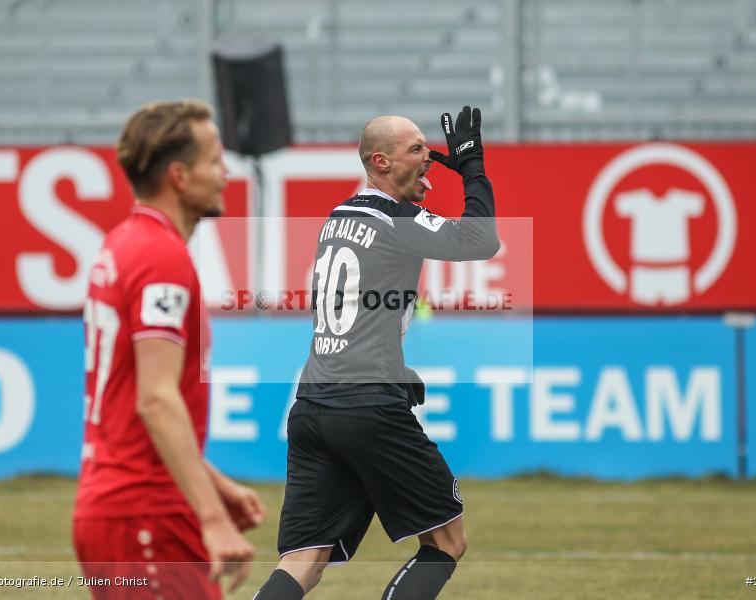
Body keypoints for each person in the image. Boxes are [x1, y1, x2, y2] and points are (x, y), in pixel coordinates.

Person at [253, 106, 498, 599]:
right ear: (380, 162)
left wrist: (395, 366)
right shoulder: (395, 219)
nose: (429, 157)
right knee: (447, 541)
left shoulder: (338, 218)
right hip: (366, 407)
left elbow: (351, 313)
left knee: (304, 560)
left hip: (312, 406)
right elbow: (482, 239)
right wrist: (472, 167)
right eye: (416, 150)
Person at [73, 100, 265, 599]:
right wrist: (212, 518)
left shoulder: (123, 243)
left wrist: (213, 485)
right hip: (146, 514)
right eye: (215, 161)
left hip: (122, 506)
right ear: (180, 176)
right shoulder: (161, 258)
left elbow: (138, 400)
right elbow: (156, 399)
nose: (225, 175)